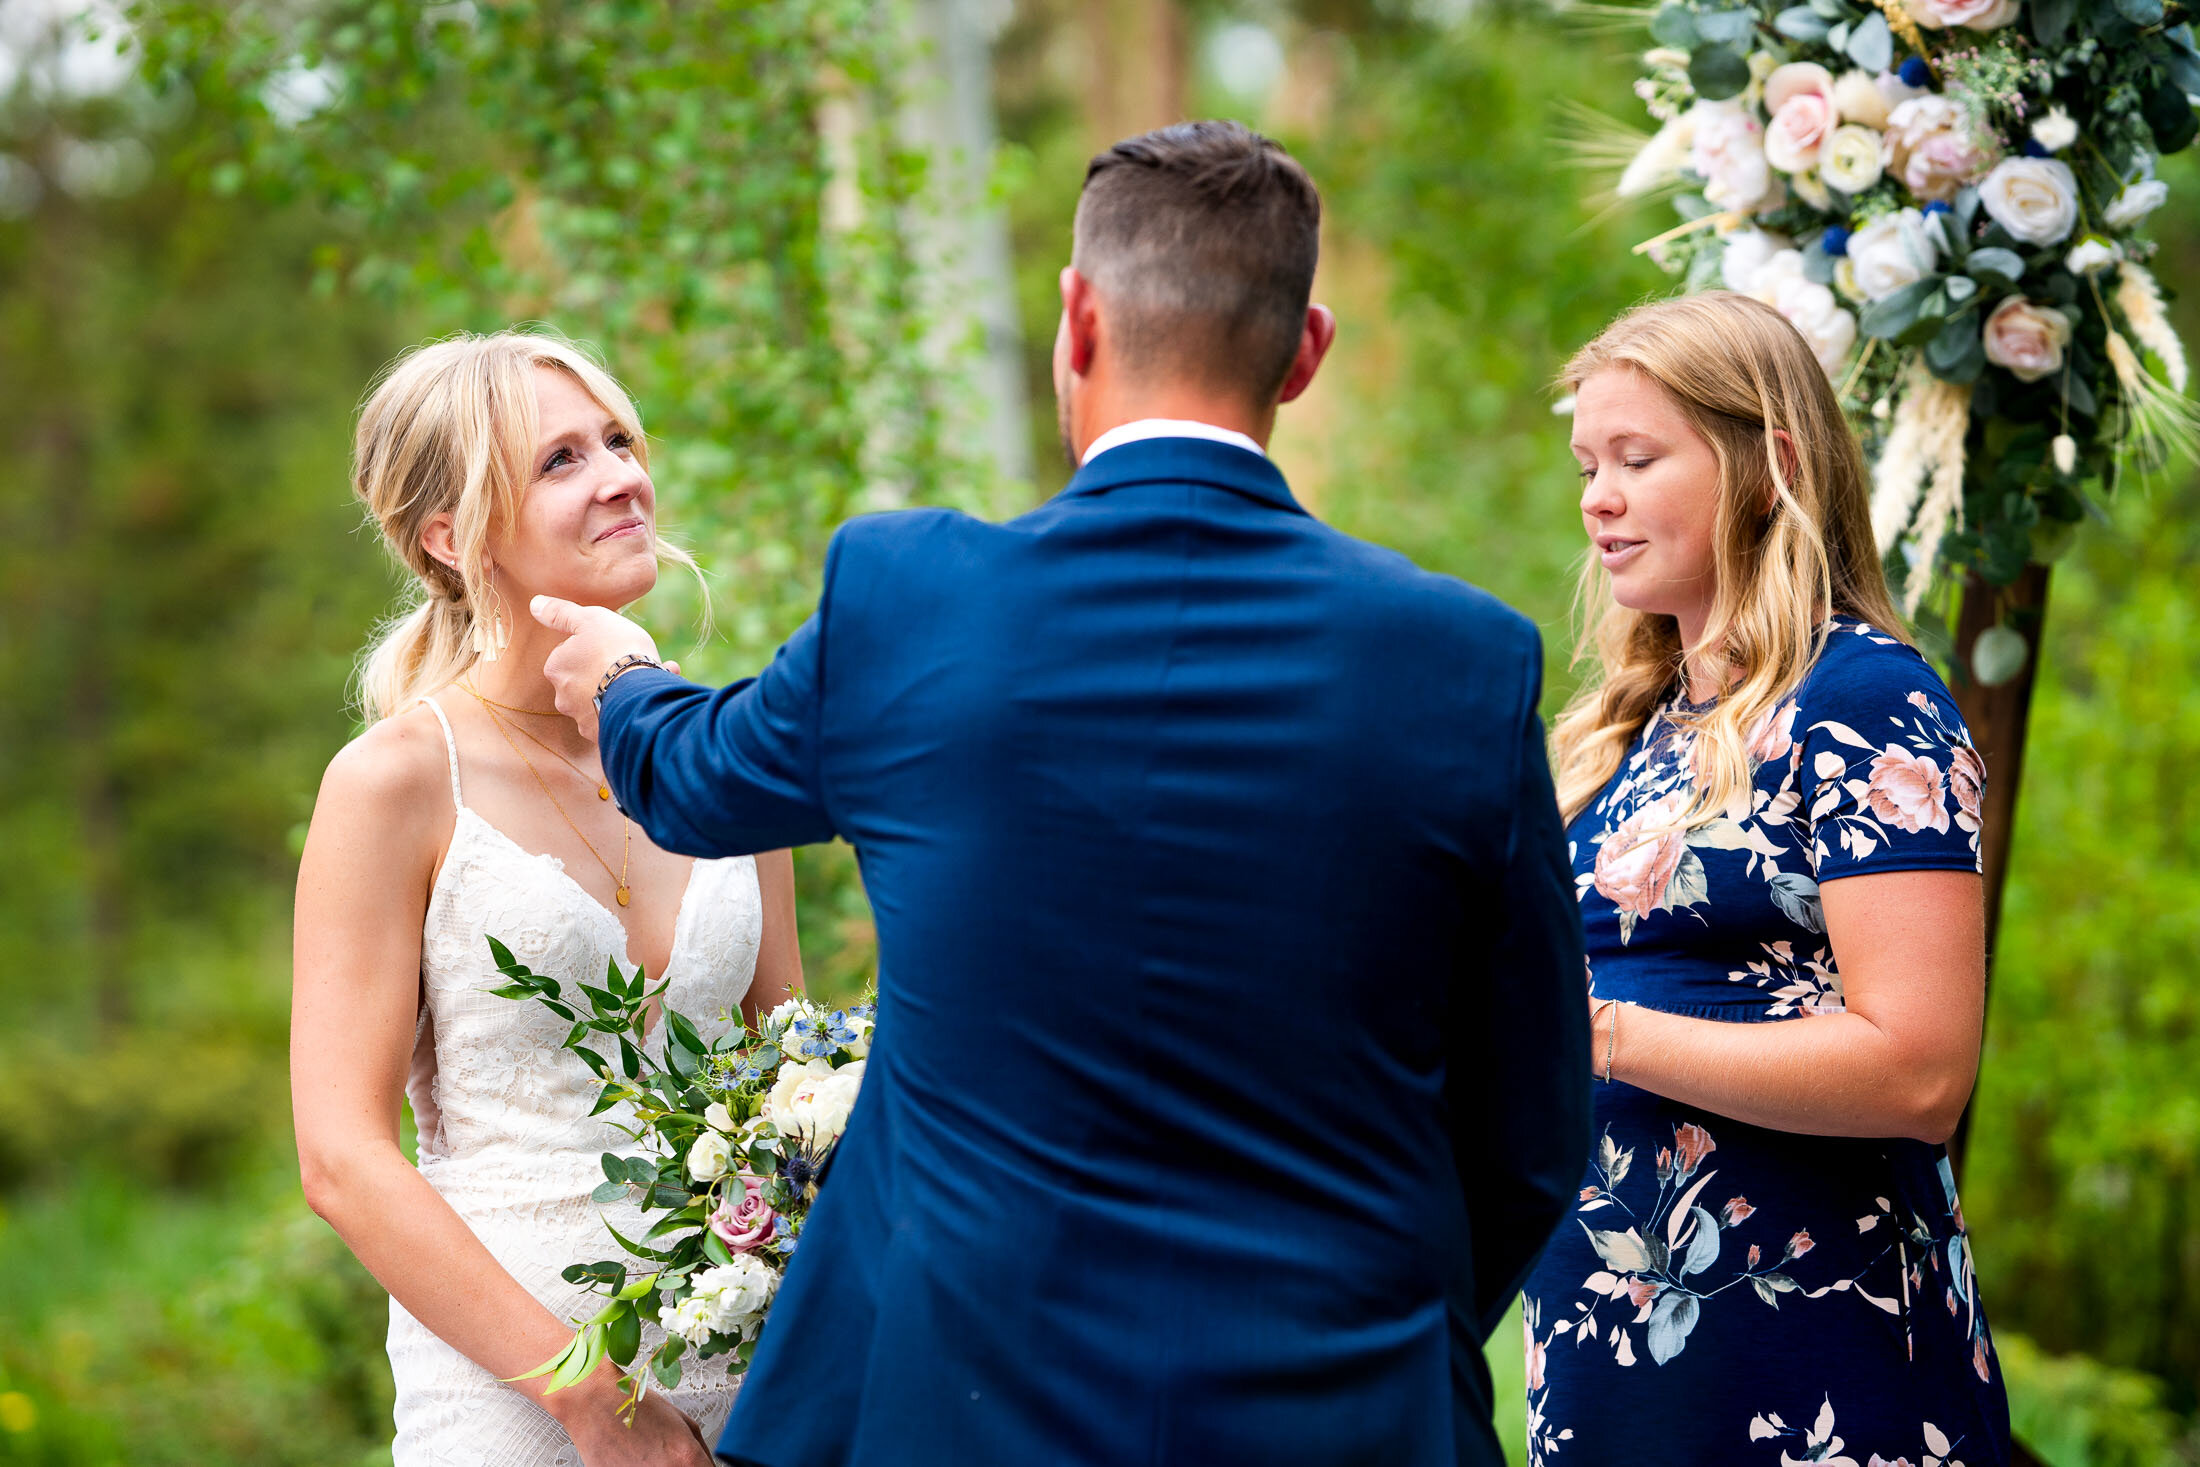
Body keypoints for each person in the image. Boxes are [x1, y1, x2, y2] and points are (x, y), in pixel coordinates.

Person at [533, 119, 1592, 1467]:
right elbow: (1535, 1125)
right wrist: (1384, 1309)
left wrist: (624, 682)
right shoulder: (1462, 657)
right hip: (1351, 1408)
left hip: (980, 1407)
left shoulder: (910, 597)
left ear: (1078, 319)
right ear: (1306, 350)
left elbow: (695, 781)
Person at [290, 331, 803, 1466]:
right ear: (448, 535)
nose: (621, 474)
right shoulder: (396, 785)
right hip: (516, 1402)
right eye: (559, 460)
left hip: (759, 1388)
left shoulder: (726, 753)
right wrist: (592, 1403)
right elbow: (341, 1157)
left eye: (617, 440)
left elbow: (788, 1087)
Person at [1519, 293, 2012, 1465]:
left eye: (1637, 458)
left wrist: (1605, 1036)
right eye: (1589, 462)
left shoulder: (1865, 702)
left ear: (1766, 463)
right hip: (1607, 1357)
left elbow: (1921, 1069)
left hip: (1810, 1364)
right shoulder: (1624, 731)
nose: (1598, 496)